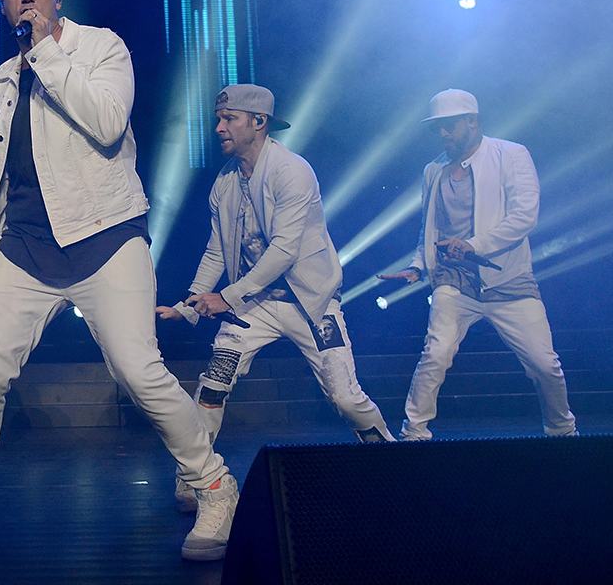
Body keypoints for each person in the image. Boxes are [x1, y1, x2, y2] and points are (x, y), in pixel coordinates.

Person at [0, 0, 237, 563]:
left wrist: (44, 50)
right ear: (2, 2)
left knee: (137, 370)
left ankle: (213, 485)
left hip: (105, 234)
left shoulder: (101, 47)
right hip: (25, 248)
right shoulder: (0, 80)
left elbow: (106, 123)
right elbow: (2, 179)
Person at [157, 84, 395, 510]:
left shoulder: (292, 171)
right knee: (212, 384)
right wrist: (190, 304)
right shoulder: (226, 181)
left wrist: (226, 297)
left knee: (345, 396)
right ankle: (193, 475)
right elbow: (217, 249)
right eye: (219, 118)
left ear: (259, 122)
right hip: (254, 304)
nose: (218, 128)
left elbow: (284, 250)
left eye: (229, 119)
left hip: (310, 303)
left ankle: (391, 459)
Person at [379, 89, 576, 440]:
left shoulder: (511, 155)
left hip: (508, 280)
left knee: (545, 366)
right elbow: (430, 227)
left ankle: (562, 431)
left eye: (449, 126)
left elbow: (525, 216)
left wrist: (473, 245)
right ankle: (413, 434)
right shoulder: (433, 171)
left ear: (472, 121)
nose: (442, 134)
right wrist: (418, 266)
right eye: (437, 128)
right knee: (436, 354)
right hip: (454, 282)